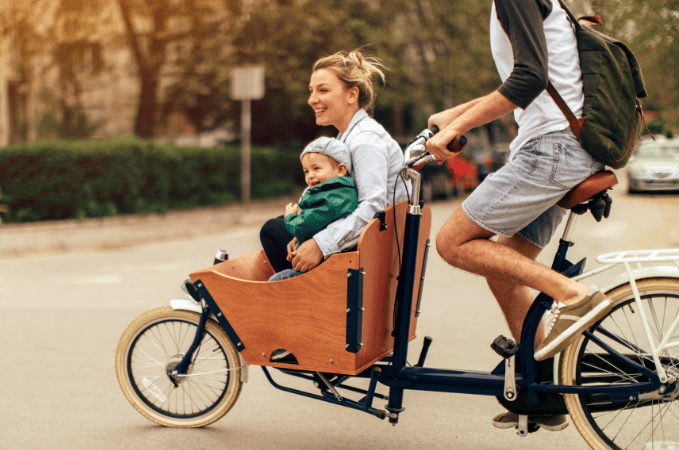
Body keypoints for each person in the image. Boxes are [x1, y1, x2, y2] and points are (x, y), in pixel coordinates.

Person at [424, 0, 615, 431]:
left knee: (451, 243)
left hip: (552, 148)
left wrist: (455, 128)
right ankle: (543, 387)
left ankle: (573, 296)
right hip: (566, 147)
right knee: (503, 268)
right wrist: (455, 116)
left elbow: (530, 79)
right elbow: (528, 81)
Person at [260, 49, 410, 278]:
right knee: (281, 227)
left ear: (352, 95)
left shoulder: (365, 141)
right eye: (311, 91)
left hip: (369, 257)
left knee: (272, 230)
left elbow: (373, 208)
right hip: (364, 249)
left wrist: (320, 244)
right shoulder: (349, 138)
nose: (312, 99)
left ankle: (299, 298)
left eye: (323, 90)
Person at [269, 137, 359, 282]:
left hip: (322, 267)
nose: (310, 175)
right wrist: (298, 238)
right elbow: (320, 223)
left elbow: (302, 224)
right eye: (306, 171)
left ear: (341, 170)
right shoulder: (342, 193)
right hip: (330, 262)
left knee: (275, 281)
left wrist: (290, 217)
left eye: (316, 168)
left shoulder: (329, 199)